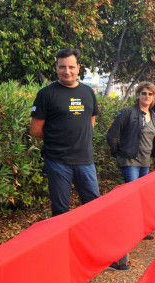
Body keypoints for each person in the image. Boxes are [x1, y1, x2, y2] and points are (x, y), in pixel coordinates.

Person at [30, 48, 100, 217]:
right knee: (61, 210)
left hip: (85, 159)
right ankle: (63, 243)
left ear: (78, 67)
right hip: (57, 161)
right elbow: (35, 129)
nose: (66, 71)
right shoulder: (46, 94)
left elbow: (91, 118)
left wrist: (81, 138)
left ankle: (93, 241)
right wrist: (59, 140)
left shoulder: (88, 92)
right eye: (62, 67)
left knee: (94, 205)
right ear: (56, 68)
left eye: (71, 67)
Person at [106, 81, 155, 271]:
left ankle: (137, 232)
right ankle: (126, 241)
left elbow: (150, 135)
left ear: (153, 97)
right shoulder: (128, 112)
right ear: (138, 95)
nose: (146, 97)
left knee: (141, 198)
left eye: (150, 94)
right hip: (130, 161)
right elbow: (111, 135)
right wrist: (118, 153)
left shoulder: (153, 114)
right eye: (143, 93)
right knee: (132, 199)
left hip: (145, 163)